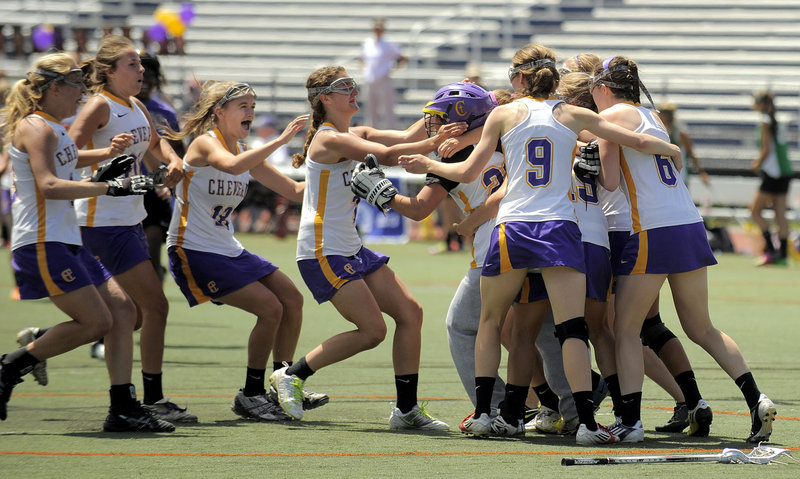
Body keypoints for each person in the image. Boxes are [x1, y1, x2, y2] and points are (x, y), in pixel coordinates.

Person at [398, 44, 680, 445]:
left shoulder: (503, 113)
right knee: (571, 330)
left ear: (521, 79)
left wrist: (428, 164)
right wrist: (670, 148)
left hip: (512, 227)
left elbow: (466, 169)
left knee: (495, 323)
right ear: (553, 78)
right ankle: (584, 422)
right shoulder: (573, 114)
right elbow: (632, 140)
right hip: (559, 230)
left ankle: (486, 415)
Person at [590, 55, 777, 443]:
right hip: (688, 223)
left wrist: (585, 161)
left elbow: (609, 182)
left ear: (604, 88)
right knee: (701, 327)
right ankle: (756, 397)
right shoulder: (653, 116)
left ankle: (631, 421)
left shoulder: (611, 119)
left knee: (624, 329)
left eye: (594, 91)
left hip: (652, 230)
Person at [268, 66, 465, 430]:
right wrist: (436, 142)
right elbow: (390, 155)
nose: (353, 91)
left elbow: (405, 134)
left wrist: (446, 103)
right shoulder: (329, 139)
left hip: (350, 245)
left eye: (352, 84)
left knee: (410, 313)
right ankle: (292, 375)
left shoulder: (353, 133)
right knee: (373, 331)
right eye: (344, 87)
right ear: (325, 98)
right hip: (323, 248)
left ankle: (406, 411)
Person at [0, 53, 173, 432]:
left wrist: (105, 158)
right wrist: (111, 185)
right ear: (55, 88)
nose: (83, 91)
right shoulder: (36, 127)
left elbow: (69, 158)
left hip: (66, 238)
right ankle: (12, 365)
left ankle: (123, 407)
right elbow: (48, 185)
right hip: (43, 240)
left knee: (124, 313)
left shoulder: (53, 127)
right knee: (96, 322)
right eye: (77, 84)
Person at [161, 80, 323, 421]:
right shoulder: (207, 144)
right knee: (270, 309)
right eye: (243, 106)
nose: (250, 112)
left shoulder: (243, 151)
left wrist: (339, 176)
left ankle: (284, 383)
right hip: (193, 248)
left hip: (227, 247)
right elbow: (232, 168)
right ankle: (250, 394)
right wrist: (279, 140)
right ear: (219, 112)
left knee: (292, 300)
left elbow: (294, 190)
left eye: (252, 105)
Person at [352, 82, 508, 414]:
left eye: (441, 118)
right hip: (537, 234)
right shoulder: (506, 138)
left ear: (462, 119)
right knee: (524, 330)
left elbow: (420, 208)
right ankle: (560, 399)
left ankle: (498, 407)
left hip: (494, 244)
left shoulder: (453, 156)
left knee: (462, 325)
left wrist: (383, 193)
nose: (434, 124)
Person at [67, 35, 194, 423]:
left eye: (140, 65)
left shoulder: (135, 105)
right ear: (108, 72)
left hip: (129, 220)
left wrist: (173, 162)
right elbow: (65, 156)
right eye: (132, 65)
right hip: (99, 223)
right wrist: (105, 153)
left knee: (131, 317)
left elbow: (158, 144)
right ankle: (150, 397)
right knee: (154, 307)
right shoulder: (98, 106)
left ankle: (36, 347)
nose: (142, 71)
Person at [135, 51, 185, 283]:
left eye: (150, 74)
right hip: (119, 186)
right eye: (140, 73)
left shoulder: (164, 113)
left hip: (155, 187)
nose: (145, 79)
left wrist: (175, 177)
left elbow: (179, 151)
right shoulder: (108, 107)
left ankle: (154, 286)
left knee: (153, 239)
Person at [750, 91, 793, 266]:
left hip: (772, 174)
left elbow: (766, 150)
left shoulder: (764, 122)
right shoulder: (779, 120)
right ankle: (782, 256)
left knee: (755, 211)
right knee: (780, 215)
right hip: (785, 172)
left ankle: (770, 251)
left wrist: (756, 163)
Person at [359, 17, 406, 129]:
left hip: (384, 80)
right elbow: (361, 59)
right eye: (376, 28)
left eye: (380, 28)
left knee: (387, 110)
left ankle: (391, 133)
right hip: (370, 80)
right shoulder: (367, 43)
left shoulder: (389, 44)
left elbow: (402, 57)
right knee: (371, 110)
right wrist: (365, 70)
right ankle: (371, 132)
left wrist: (392, 69)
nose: (377, 31)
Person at [657, 102, 710, 187]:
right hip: (663, 170)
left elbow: (690, 152)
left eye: (665, 113)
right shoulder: (658, 130)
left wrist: (701, 171)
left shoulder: (680, 132)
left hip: (680, 171)